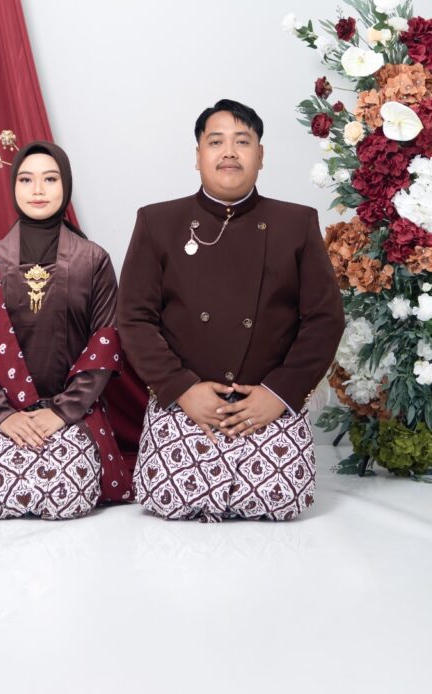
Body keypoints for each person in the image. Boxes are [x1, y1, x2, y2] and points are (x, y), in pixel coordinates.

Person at [117, 99, 345, 522]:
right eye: (216, 141)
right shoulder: (157, 222)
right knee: (168, 498)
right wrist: (182, 389)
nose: (229, 152)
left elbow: (325, 319)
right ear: (197, 156)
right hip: (186, 402)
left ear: (261, 155)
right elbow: (133, 317)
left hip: (264, 400)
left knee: (283, 500)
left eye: (242, 141)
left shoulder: (297, 223)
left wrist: (278, 395)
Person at [0, 140, 133, 519]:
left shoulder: (92, 261)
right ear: (13, 187)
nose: (38, 189)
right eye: (26, 179)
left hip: (73, 413)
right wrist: (3, 416)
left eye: (50, 179)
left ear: (66, 185)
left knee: (68, 494)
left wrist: (62, 412)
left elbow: (105, 341)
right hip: (6, 415)